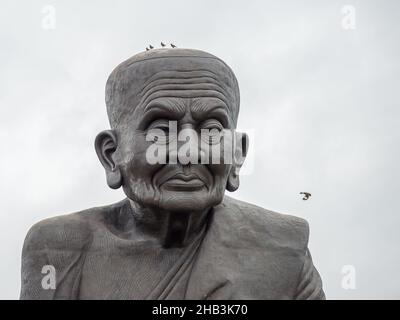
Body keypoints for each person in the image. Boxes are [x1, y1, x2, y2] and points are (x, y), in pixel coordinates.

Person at [20, 48, 325, 299]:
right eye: (161, 130)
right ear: (111, 155)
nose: (188, 151)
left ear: (237, 154)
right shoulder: (61, 249)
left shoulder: (283, 249)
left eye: (212, 130)